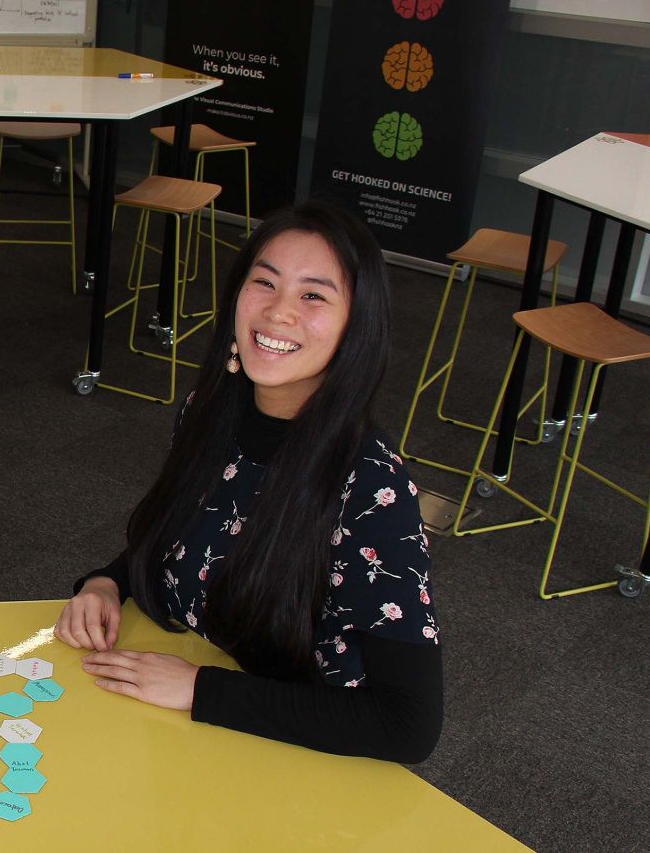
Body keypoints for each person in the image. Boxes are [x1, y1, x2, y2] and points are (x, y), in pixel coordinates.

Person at [54, 200, 442, 763]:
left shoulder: (370, 488)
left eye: (313, 295)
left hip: (299, 763)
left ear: (356, 325)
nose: (279, 312)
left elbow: (408, 725)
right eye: (265, 282)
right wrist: (106, 583)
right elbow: (189, 537)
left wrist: (199, 689)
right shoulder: (208, 412)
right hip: (191, 736)